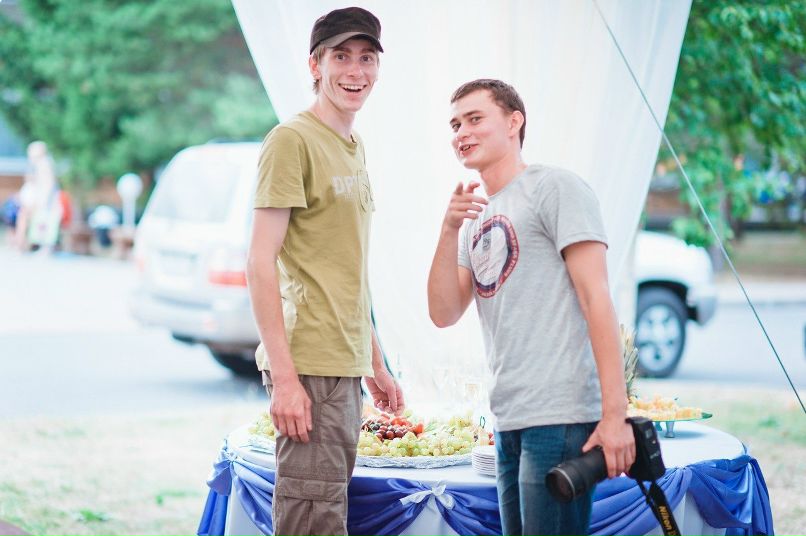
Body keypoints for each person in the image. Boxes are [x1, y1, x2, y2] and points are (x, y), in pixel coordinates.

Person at [427, 79, 635, 536]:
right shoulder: (474, 218)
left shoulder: (554, 187)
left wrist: (615, 415)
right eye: (455, 124)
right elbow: (443, 312)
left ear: (514, 121)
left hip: (559, 413)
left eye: (475, 118)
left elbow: (596, 297)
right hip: (508, 418)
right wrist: (447, 228)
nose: (462, 131)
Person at [245, 7, 404, 536]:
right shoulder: (292, 140)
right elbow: (259, 262)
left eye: (366, 58)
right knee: (311, 521)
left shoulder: (354, 146)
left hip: (342, 364)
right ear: (315, 64)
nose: (355, 71)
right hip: (308, 366)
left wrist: (373, 362)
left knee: (327, 513)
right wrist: (287, 381)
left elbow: (345, 272)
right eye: (341, 57)